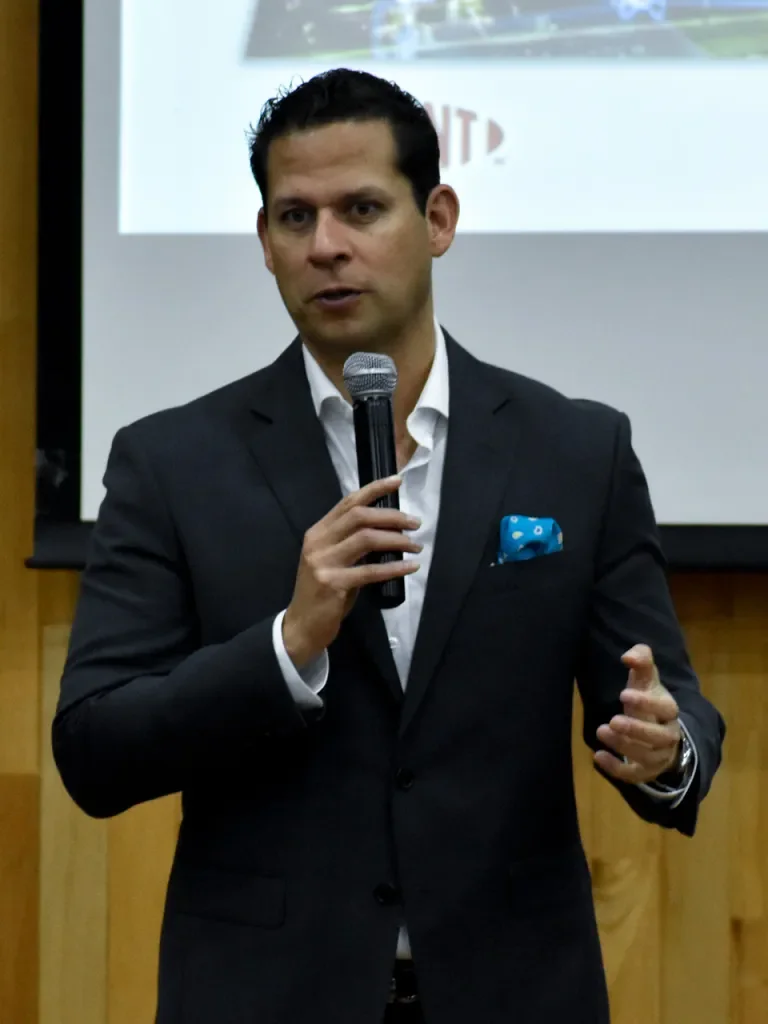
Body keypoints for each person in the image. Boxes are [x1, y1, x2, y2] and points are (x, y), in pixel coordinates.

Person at [53, 68, 725, 1024]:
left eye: (362, 208)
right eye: (295, 218)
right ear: (265, 243)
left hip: (517, 992)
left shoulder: (575, 450)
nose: (327, 246)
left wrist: (666, 753)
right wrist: (287, 646)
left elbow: (674, 707)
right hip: (267, 998)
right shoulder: (172, 462)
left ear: (438, 219)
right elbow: (94, 749)